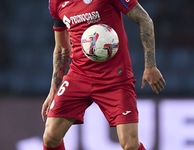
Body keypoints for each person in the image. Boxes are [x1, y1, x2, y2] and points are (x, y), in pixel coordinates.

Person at [41, 0, 166, 150]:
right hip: (78, 75)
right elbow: (61, 48)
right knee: (50, 137)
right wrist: (53, 90)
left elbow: (144, 19)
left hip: (115, 79)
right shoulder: (56, 3)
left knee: (130, 145)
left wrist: (150, 66)